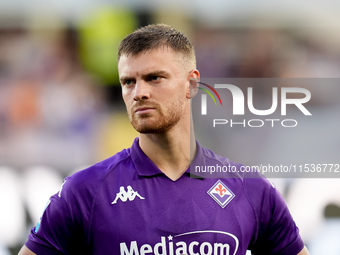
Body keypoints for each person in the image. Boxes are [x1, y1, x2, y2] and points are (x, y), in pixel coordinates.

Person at [19, 24, 309, 255]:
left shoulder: (251, 190)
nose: (139, 92)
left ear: (192, 84)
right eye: (128, 82)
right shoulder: (85, 192)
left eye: (154, 78)